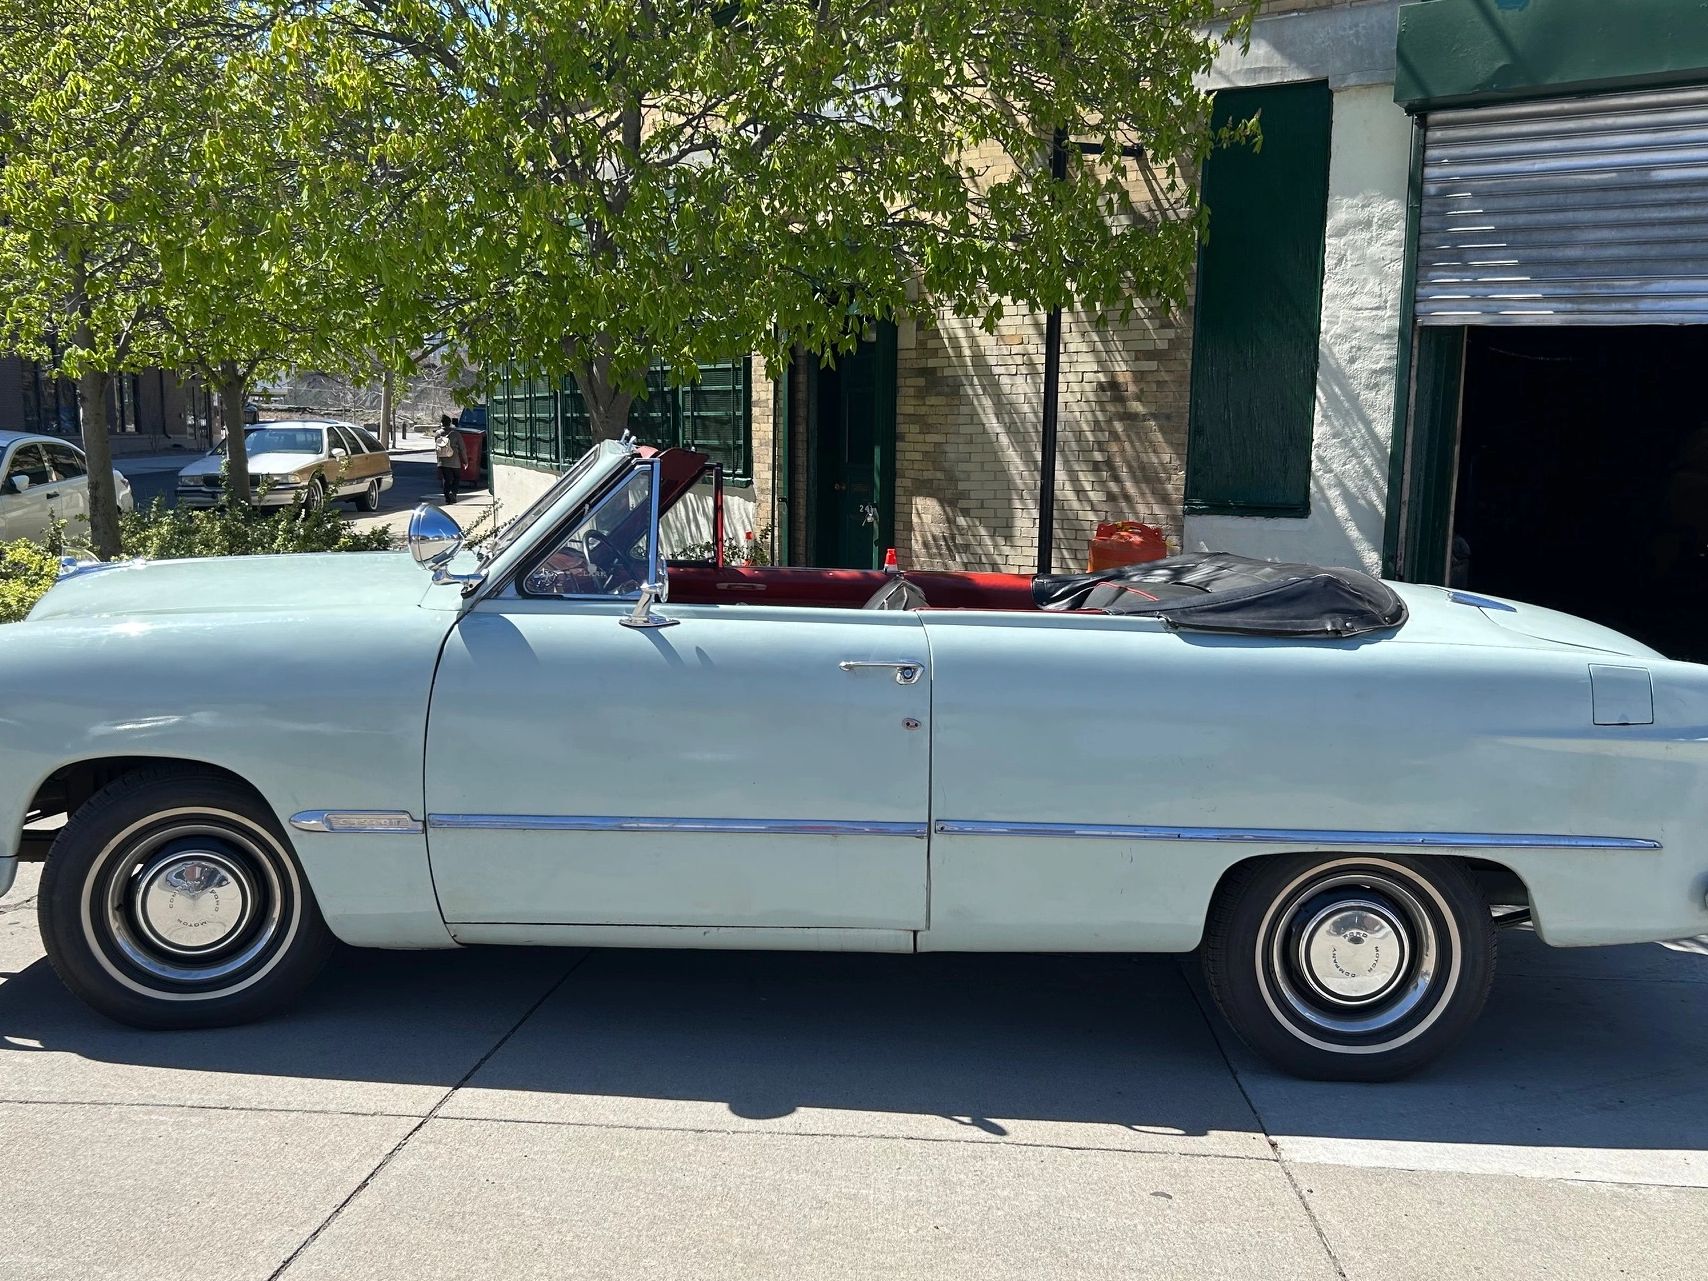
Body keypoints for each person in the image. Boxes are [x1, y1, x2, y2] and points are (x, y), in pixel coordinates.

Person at [434, 414, 466, 503]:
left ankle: (447, 497)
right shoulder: (456, 434)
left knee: (447, 479)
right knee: (457, 477)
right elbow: (462, 448)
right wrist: (465, 461)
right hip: (454, 461)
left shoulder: (438, 433)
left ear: (441, 423)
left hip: (443, 461)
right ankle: (453, 493)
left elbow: (437, 447)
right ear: (450, 423)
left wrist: (438, 461)